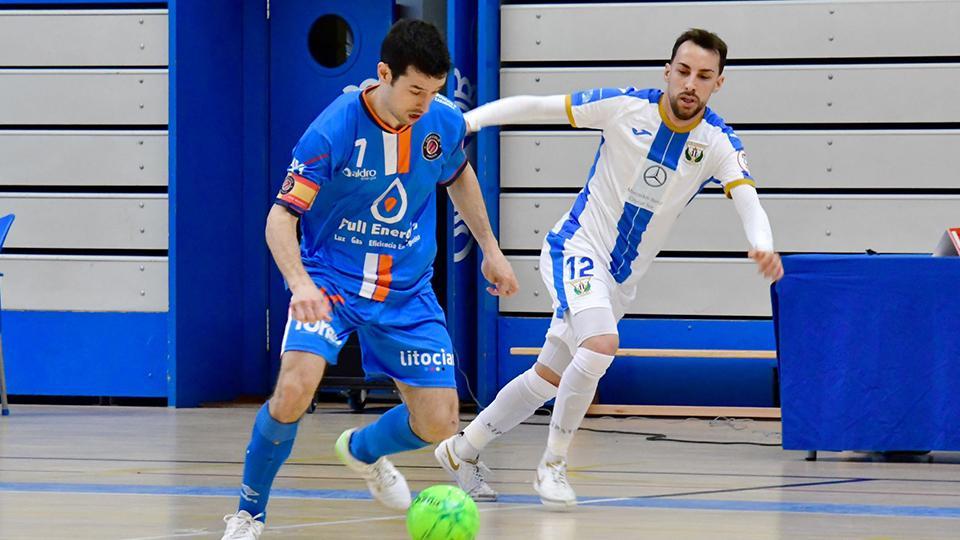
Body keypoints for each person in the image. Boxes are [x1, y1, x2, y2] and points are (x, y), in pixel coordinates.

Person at [435, 28, 783, 508]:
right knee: (600, 345)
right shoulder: (624, 107)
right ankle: (552, 466)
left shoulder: (717, 142)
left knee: (546, 378)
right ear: (667, 71)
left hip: (619, 281)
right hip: (576, 248)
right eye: (682, 71)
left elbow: (748, 198)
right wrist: (467, 123)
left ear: (718, 84)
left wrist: (762, 243)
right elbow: (538, 107)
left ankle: (461, 449)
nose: (690, 83)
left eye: (704, 76)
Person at [221, 19, 518, 539]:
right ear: (383, 74)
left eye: (435, 91)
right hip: (330, 281)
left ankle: (362, 451)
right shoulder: (332, 130)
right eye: (415, 90)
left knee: (439, 423)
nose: (424, 103)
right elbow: (279, 218)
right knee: (294, 388)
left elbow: (458, 176)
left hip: (406, 290)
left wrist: (491, 250)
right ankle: (249, 514)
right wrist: (300, 284)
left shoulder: (442, 121)